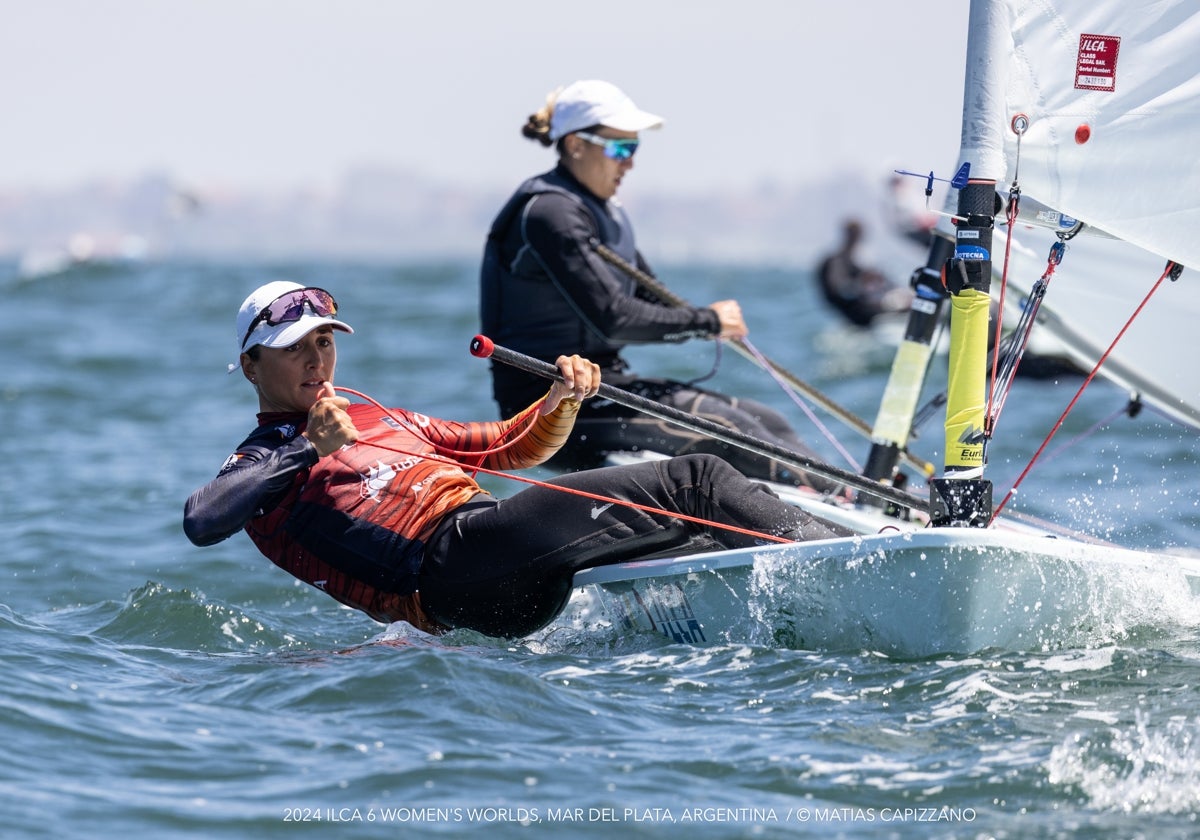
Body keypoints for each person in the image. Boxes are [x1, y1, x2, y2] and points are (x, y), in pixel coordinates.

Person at [183, 281, 852, 639]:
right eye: (296, 346)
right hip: (448, 570)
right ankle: (858, 563)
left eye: (325, 342)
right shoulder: (262, 464)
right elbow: (203, 520)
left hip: (500, 560)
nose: (316, 359)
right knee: (699, 480)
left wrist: (560, 399)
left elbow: (507, 448)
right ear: (251, 366)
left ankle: (803, 613)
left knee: (699, 524)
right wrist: (307, 447)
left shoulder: (374, 415)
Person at [479, 79, 838, 492]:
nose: (629, 163)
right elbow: (614, 319)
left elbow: (651, 296)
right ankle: (844, 508)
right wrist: (706, 322)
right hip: (550, 407)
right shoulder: (549, 213)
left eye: (635, 149)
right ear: (576, 144)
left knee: (764, 419)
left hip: (604, 387)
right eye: (620, 149)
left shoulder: (603, 212)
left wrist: (710, 321)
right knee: (727, 428)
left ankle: (864, 499)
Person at [816, 218, 914, 328]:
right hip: (855, 312)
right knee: (908, 307)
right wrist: (861, 282)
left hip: (859, 309)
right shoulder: (836, 261)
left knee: (904, 301)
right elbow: (843, 290)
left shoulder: (850, 261)